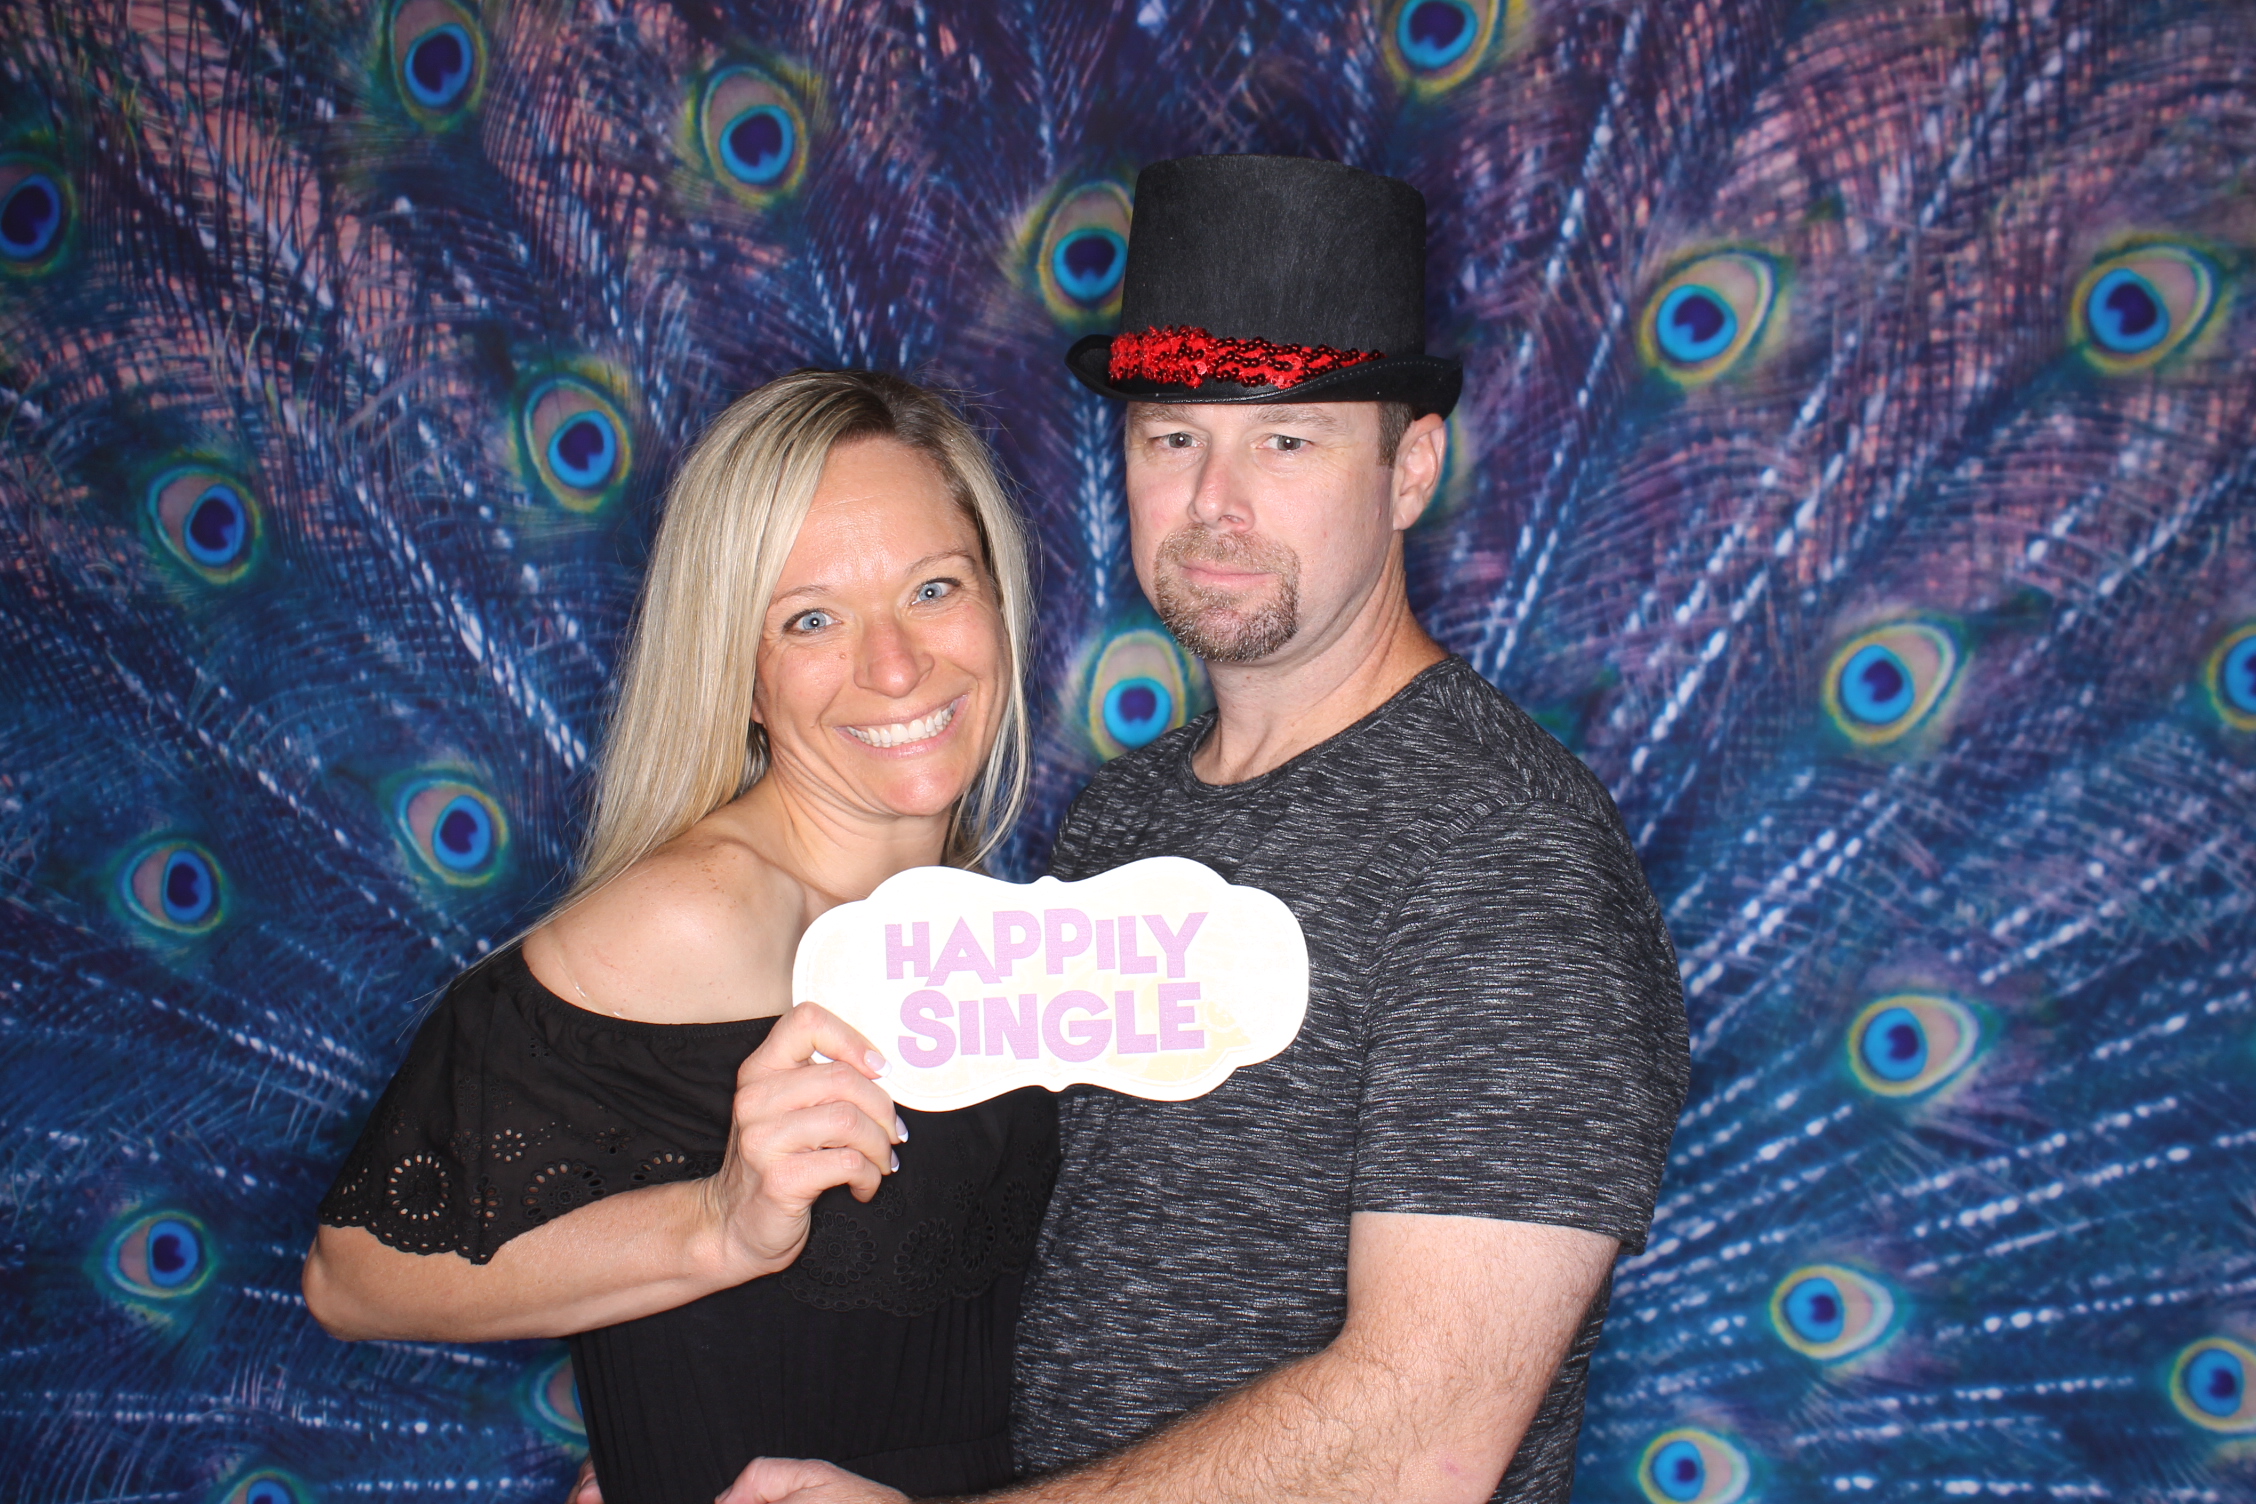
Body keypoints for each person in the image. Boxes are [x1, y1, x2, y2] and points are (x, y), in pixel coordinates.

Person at [723, 157, 1690, 1504]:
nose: (1215, 502)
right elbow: (1022, 1270)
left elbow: (1426, 1442)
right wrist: (684, 1443)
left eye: (1286, 441)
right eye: (1174, 435)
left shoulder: (1505, 860)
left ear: (1411, 466)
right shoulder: (1126, 816)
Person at [303, 369, 1060, 1504]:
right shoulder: (696, 915)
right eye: (812, 619)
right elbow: (356, 1277)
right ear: (743, 673)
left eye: (934, 587)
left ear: (996, 604)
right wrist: (717, 1225)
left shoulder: (990, 924)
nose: (896, 666)